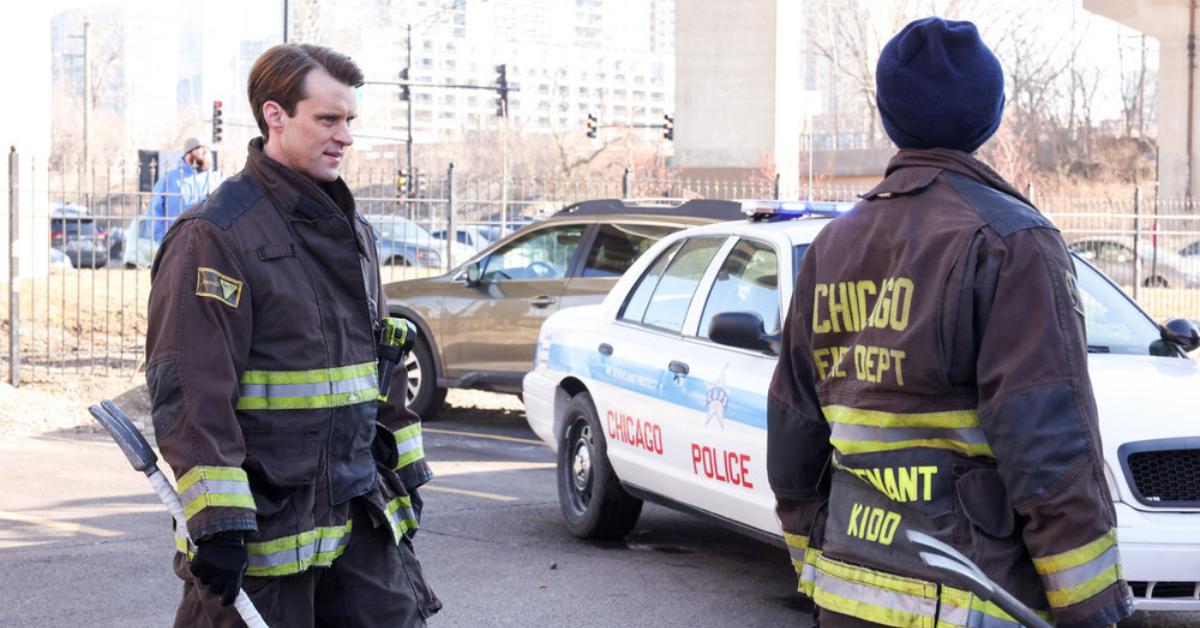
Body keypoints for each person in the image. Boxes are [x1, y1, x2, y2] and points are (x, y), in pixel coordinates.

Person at [766, 17, 1133, 628]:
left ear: (889, 116)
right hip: (974, 598)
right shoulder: (1013, 242)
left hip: (849, 594)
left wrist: (814, 555)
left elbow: (793, 427)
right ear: (989, 116)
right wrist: (1092, 609)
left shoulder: (832, 246)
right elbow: (1046, 443)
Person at [145, 43, 441, 627]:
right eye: (328, 119)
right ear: (275, 116)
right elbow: (192, 395)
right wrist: (219, 524)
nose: (346, 136)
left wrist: (404, 468)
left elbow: (374, 370)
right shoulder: (215, 236)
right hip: (263, 533)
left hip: (359, 518)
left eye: (349, 120)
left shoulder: (352, 229)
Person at [147, 137, 224, 243]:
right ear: (189, 153)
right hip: (177, 244)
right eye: (202, 151)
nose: (207, 155)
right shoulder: (170, 179)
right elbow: (154, 212)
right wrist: (164, 241)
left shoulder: (215, 179)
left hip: (209, 244)